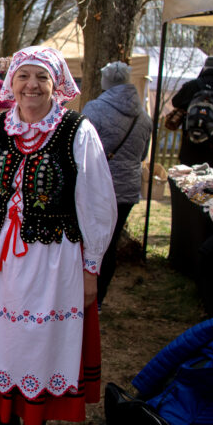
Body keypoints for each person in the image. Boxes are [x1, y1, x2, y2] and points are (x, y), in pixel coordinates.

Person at [0, 46, 116, 425]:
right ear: (11, 83)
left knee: (39, 344)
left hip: (53, 258)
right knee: (2, 342)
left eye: (42, 78)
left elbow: (97, 202)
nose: (32, 85)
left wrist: (91, 267)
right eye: (24, 76)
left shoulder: (76, 131)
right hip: (0, 257)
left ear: (57, 84)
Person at [82, 61, 152, 304]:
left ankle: (86, 297)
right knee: (109, 244)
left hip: (97, 187)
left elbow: (80, 150)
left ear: (105, 81)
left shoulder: (94, 109)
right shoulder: (143, 116)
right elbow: (143, 155)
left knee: (90, 242)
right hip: (127, 189)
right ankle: (99, 298)